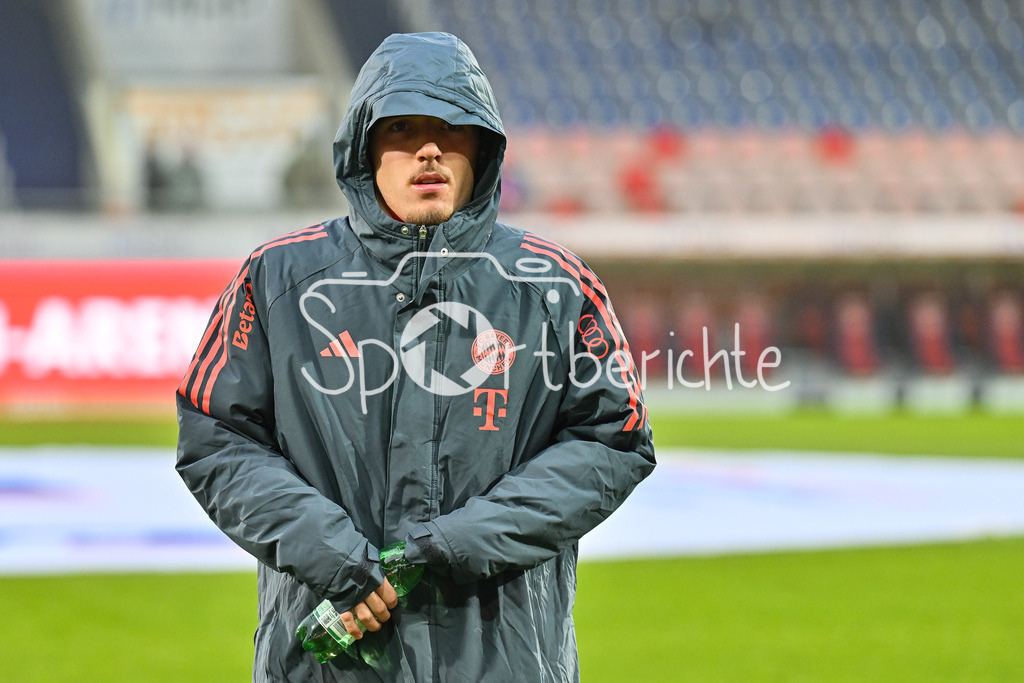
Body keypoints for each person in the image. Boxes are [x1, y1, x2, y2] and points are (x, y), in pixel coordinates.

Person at [176, 32, 655, 681]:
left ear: (481, 146)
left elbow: (616, 437)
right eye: (402, 128)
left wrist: (463, 542)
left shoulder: (554, 286)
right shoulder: (278, 280)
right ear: (363, 147)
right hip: (328, 662)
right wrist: (332, 552)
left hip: (504, 662)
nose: (428, 148)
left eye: (451, 128)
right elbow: (216, 436)